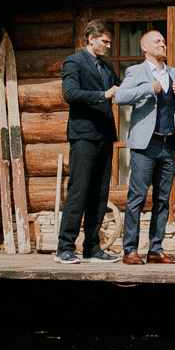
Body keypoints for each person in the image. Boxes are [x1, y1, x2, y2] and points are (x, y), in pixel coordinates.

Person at [113, 27, 175, 265]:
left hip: (168, 144)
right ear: (145, 47)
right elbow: (120, 97)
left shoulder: (174, 73)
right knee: (137, 197)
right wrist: (147, 89)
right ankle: (130, 250)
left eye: (163, 41)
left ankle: (155, 249)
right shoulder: (136, 71)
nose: (162, 44)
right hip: (145, 144)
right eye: (157, 42)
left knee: (163, 199)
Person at [55, 19, 124, 262]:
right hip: (84, 135)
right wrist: (102, 95)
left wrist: (145, 87)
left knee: (99, 194)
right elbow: (70, 93)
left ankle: (92, 248)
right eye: (104, 41)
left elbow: (121, 88)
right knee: (79, 190)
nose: (108, 46)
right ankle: (64, 247)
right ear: (91, 39)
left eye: (110, 42)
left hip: (105, 136)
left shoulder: (105, 68)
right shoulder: (74, 61)